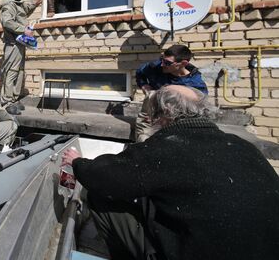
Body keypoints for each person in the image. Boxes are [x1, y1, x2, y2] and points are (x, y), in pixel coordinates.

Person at [62, 85, 279, 260]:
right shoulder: (241, 145)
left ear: (162, 114)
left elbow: (105, 178)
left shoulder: (164, 148)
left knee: (100, 198)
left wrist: (78, 163)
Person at [135, 44, 208, 141]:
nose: (162, 64)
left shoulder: (195, 85)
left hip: (175, 125)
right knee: (143, 141)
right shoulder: (156, 66)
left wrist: (163, 119)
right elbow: (140, 72)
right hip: (149, 117)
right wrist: (144, 85)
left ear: (183, 63)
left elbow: (198, 114)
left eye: (167, 63)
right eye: (162, 59)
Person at [0, 0, 42, 115]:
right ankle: (6, 101)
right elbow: (7, 22)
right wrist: (24, 29)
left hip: (20, 44)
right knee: (11, 72)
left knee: (20, 71)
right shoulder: (9, 6)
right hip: (12, 45)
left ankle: (14, 98)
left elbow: (25, 10)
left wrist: (35, 3)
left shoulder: (18, 4)